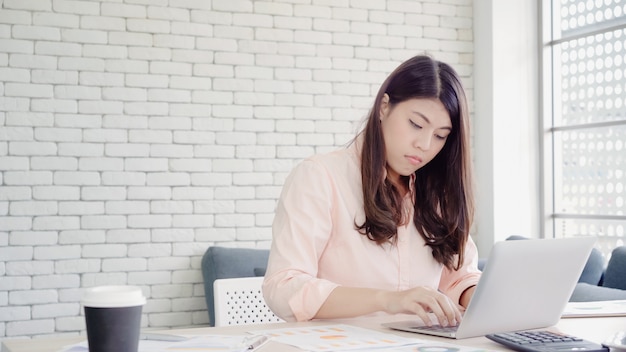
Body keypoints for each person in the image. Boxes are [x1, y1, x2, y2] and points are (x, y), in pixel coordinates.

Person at [262, 54, 481, 328]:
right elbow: (283, 286)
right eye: (416, 124)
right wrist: (388, 300)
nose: (425, 144)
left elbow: (460, 277)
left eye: (440, 135)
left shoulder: (437, 193)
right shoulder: (320, 177)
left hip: (420, 345)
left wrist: (483, 299)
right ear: (384, 107)